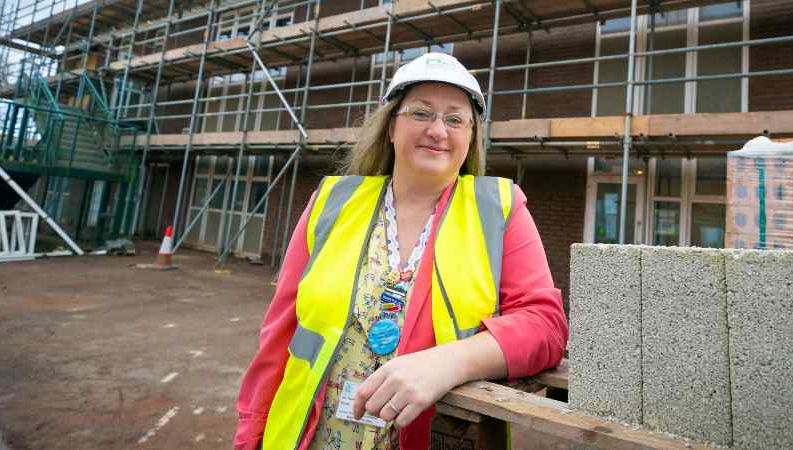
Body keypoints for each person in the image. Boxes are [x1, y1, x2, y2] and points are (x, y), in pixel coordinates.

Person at [234, 52, 567, 450]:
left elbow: (545, 326)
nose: (438, 130)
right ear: (391, 126)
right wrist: (251, 434)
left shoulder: (499, 207)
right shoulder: (331, 201)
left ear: (471, 136)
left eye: (455, 119)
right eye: (421, 113)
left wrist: (448, 362)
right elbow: (279, 334)